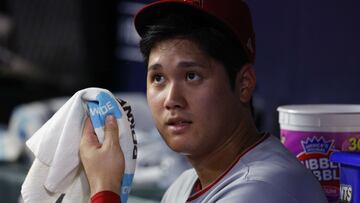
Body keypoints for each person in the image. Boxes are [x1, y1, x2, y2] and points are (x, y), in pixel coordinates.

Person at [80, 0, 328, 202]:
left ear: (244, 84)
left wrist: (105, 189)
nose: (171, 100)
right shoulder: (184, 186)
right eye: (158, 78)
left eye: (191, 76)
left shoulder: (264, 189)